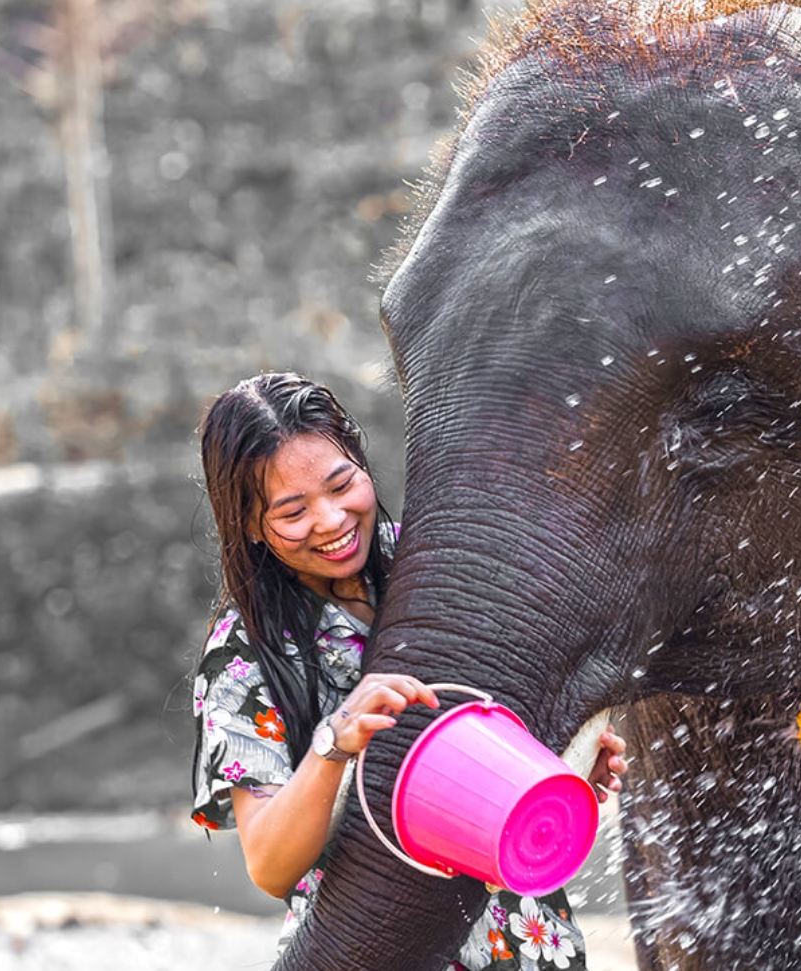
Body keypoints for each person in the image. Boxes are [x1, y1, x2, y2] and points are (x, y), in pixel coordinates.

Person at [189, 372, 626, 968]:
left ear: (362, 463)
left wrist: (560, 769)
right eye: (292, 512)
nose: (331, 520)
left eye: (342, 484)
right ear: (248, 525)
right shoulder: (244, 654)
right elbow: (269, 863)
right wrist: (334, 743)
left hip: (530, 944)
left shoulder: (435, 567)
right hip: (380, 949)